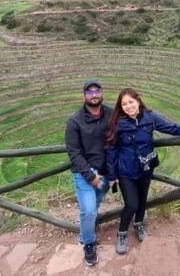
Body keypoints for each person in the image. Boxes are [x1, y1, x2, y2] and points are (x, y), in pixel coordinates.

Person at [105, 88, 180, 254]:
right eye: (124, 104)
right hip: (126, 171)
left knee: (142, 200)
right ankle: (122, 233)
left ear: (138, 101)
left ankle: (138, 225)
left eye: (131, 102)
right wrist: (112, 175)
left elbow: (171, 128)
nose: (128, 106)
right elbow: (111, 149)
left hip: (145, 169)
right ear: (120, 107)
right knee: (131, 204)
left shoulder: (150, 117)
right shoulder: (118, 124)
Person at [64, 78, 113, 266]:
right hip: (85, 173)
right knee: (90, 210)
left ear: (102, 93)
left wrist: (113, 173)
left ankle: (86, 233)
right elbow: (74, 154)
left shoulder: (110, 114)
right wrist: (91, 177)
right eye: (90, 92)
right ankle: (88, 244)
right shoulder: (74, 121)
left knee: (95, 205)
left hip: (106, 171)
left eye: (97, 91)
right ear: (84, 95)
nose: (94, 95)